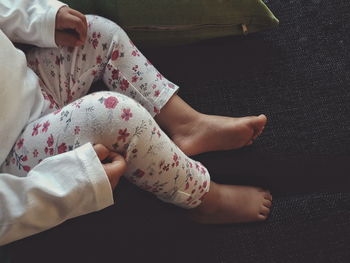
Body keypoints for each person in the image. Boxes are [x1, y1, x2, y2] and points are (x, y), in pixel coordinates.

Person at [0, 0, 272, 246]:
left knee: (97, 32)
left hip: (31, 81)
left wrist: (40, 18)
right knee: (111, 114)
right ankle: (203, 199)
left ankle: (187, 124)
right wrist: (70, 185)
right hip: (16, 157)